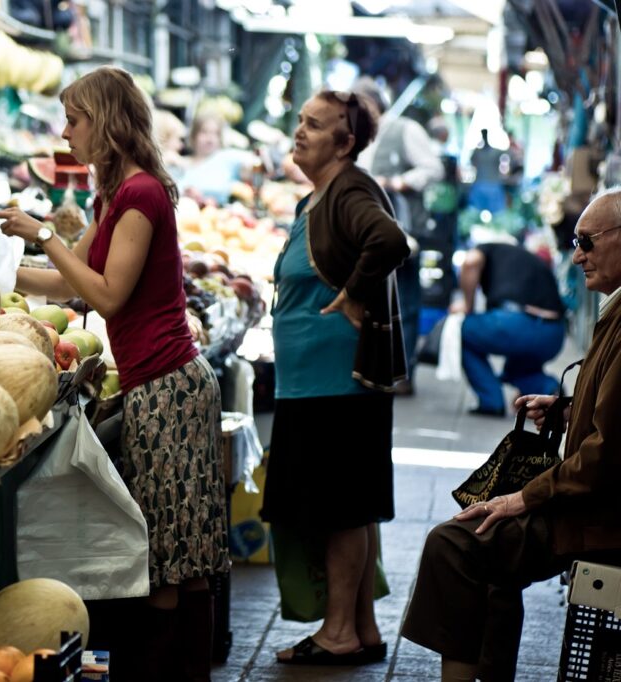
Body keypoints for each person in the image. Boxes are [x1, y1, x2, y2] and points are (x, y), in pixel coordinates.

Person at [0, 66, 229, 682]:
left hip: (169, 387)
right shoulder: (115, 194)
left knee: (171, 560)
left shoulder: (143, 194)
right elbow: (72, 285)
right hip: (160, 384)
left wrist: (44, 233)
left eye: (75, 119)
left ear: (107, 122)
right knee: (180, 553)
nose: (65, 132)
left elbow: (110, 296)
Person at [401, 187, 621, 681]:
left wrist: (524, 497)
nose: (578, 254)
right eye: (575, 240)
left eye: (587, 240)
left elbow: (607, 455)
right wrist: (566, 412)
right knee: (485, 550)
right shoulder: (614, 312)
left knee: (456, 544)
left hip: (602, 516)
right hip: (595, 502)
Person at [262, 89, 410, 665]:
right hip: (315, 382)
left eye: (316, 125)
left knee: (339, 508)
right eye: (301, 121)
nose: (300, 131)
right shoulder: (320, 195)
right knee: (351, 504)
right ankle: (363, 627)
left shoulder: (348, 187)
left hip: (335, 382)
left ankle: (339, 632)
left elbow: (389, 241)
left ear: (344, 143)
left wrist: (352, 295)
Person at [355, 77, 445, 396]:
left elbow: (433, 168)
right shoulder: (357, 136)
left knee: (404, 297)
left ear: (377, 104)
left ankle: (402, 372)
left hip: (403, 228)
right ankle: (375, 367)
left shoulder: (404, 130)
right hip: (366, 230)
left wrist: (398, 182)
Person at [452, 242, 566, 416]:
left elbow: (470, 262)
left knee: (460, 330)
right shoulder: (523, 257)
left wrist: (468, 305)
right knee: (517, 371)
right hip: (554, 334)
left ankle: (491, 401)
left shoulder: (485, 249)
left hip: (517, 324)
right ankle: (550, 391)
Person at [176, 112, 257, 204]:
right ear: (194, 135)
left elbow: (254, 160)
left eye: (215, 134)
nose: (210, 138)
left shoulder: (226, 156)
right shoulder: (180, 163)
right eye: (204, 132)